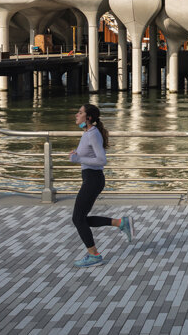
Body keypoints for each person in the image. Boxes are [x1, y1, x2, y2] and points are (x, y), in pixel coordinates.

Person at [69, 103, 132, 267]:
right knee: (81, 219)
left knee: (77, 218)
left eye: (80, 112)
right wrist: (76, 155)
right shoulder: (87, 132)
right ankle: (120, 223)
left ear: (88, 118)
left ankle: (94, 255)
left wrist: (78, 159)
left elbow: (102, 160)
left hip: (94, 179)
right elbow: (89, 155)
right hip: (90, 178)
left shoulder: (92, 134)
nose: (77, 114)